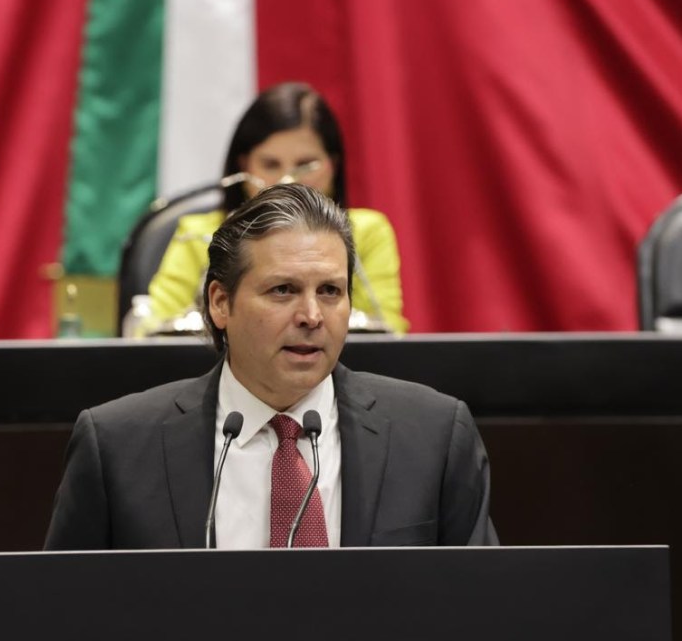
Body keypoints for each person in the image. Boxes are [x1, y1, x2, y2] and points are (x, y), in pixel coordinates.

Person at [45, 183, 497, 550]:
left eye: (330, 291)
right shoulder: (117, 447)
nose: (312, 316)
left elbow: (480, 610)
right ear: (220, 303)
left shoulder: (434, 436)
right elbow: (63, 615)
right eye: (283, 290)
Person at [146, 82, 409, 334]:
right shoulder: (196, 235)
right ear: (244, 166)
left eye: (305, 165)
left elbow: (386, 335)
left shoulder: (367, 232)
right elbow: (151, 331)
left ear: (333, 165)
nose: (287, 181)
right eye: (271, 165)